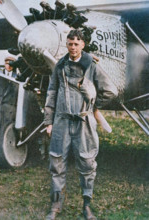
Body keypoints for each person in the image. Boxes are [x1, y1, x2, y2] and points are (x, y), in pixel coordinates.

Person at [44, 29, 118, 220]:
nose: (73, 48)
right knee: (57, 163)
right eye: (70, 44)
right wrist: (48, 122)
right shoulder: (59, 66)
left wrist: (94, 106)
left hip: (84, 122)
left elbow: (110, 91)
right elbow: (51, 93)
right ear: (66, 45)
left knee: (87, 164)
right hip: (61, 121)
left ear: (83, 45)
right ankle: (55, 206)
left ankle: (86, 206)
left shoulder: (91, 66)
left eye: (77, 44)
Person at [0, 56, 18, 138]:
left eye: (11, 64)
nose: (8, 66)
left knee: (8, 133)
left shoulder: (17, 77)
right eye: (7, 64)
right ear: (4, 64)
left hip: (10, 110)